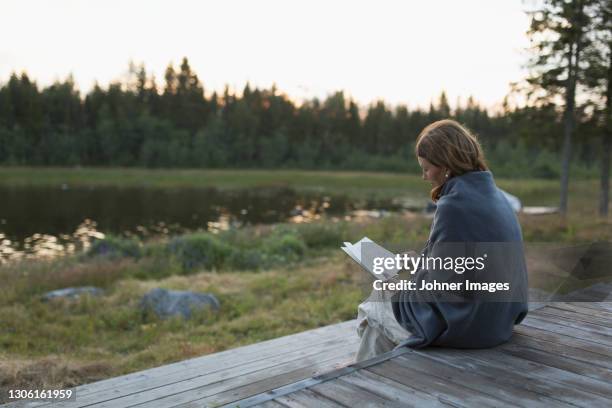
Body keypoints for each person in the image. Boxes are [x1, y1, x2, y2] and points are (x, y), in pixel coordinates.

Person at [355, 119, 528, 362]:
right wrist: (420, 263)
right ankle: (368, 368)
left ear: (446, 165)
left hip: (472, 325)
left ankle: (365, 375)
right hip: (499, 319)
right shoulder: (495, 196)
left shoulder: (454, 206)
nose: (424, 177)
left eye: (426, 168)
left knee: (378, 300)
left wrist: (398, 285)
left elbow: (439, 287)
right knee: (383, 305)